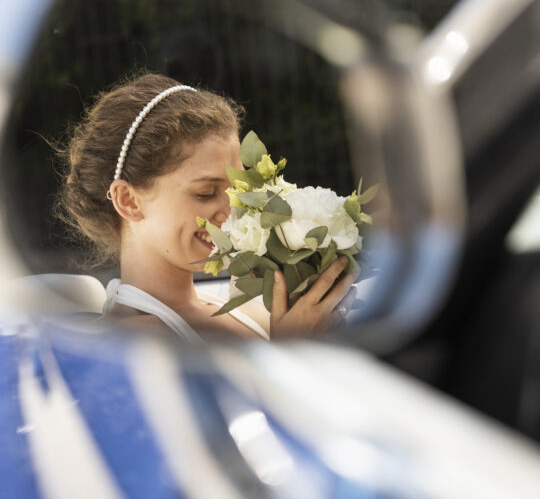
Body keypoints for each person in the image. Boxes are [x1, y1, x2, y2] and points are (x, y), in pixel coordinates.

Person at [56, 72, 354, 342]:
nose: (230, 212)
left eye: (237, 190)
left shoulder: (250, 311)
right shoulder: (133, 342)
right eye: (206, 193)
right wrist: (293, 350)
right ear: (128, 201)